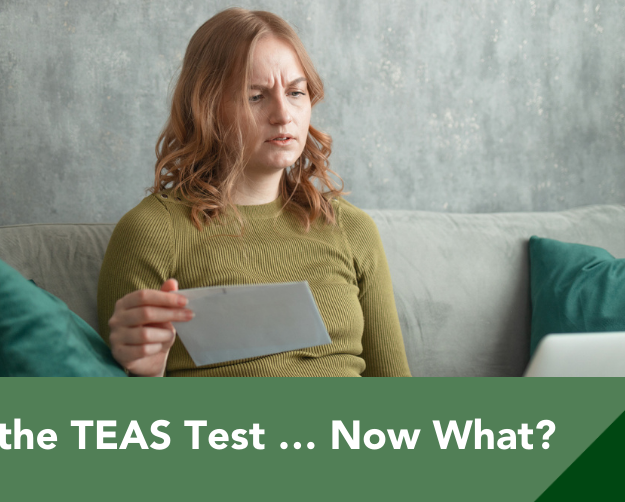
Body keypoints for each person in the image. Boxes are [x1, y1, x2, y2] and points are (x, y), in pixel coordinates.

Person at [97, 8, 411, 377]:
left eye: (296, 92)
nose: (283, 114)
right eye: (256, 97)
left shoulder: (352, 229)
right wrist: (145, 374)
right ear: (207, 108)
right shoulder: (151, 231)